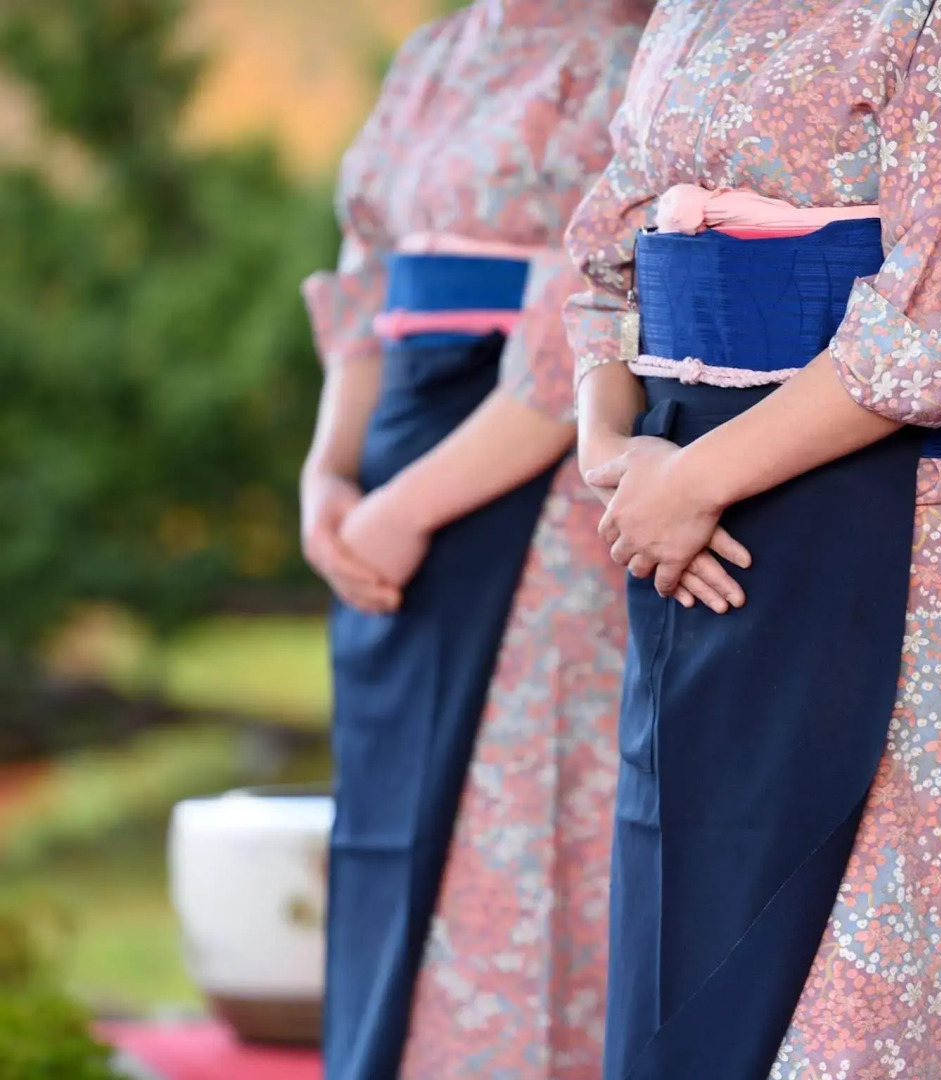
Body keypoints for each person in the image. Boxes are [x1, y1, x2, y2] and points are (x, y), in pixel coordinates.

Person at [563, 2, 941, 1076]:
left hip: (887, 512)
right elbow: (609, 249)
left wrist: (695, 478)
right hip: (680, 510)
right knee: (686, 930)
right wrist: (613, 448)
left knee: (861, 968)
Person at [298, 4, 652, 1078]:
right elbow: (368, 272)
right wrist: (332, 468)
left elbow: (595, 307)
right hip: (399, 455)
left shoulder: (635, 45)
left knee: (522, 814)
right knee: (393, 816)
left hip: (544, 486)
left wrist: (409, 506)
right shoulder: (437, 52)